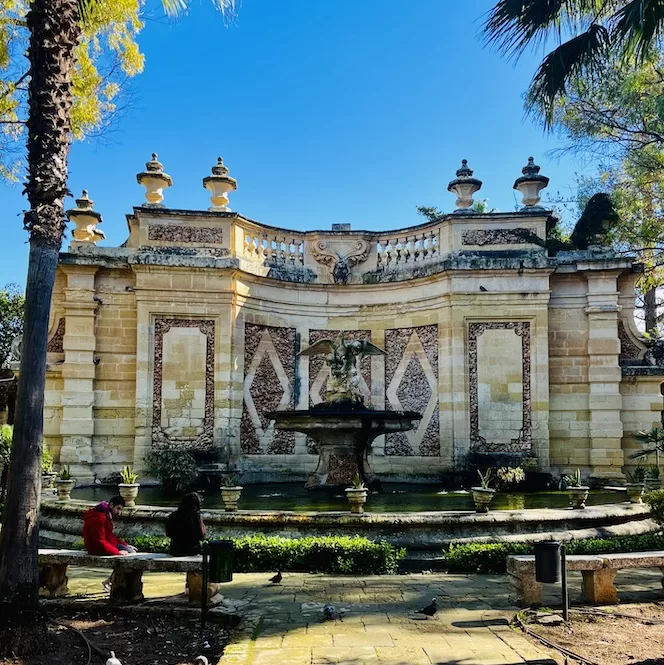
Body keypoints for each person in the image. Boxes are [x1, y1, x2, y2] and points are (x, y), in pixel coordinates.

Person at [82, 495, 137, 590]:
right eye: (118, 508)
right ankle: (113, 582)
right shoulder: (99, 517)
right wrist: (117, 552)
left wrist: (126, 545)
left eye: (121, 510)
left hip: (105, 544)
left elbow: (110, 536)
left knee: (132, 553)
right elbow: (99, 541)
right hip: (96, 548)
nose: (119, 512)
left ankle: (111, 581)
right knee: (130, 557)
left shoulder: (105, 514)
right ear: (111, 505)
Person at [166, 492, 206, 556]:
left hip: (175, 550)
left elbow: (168, 534)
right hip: (192, 551)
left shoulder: (173, 515)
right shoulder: (196, 516)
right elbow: (202, 536)